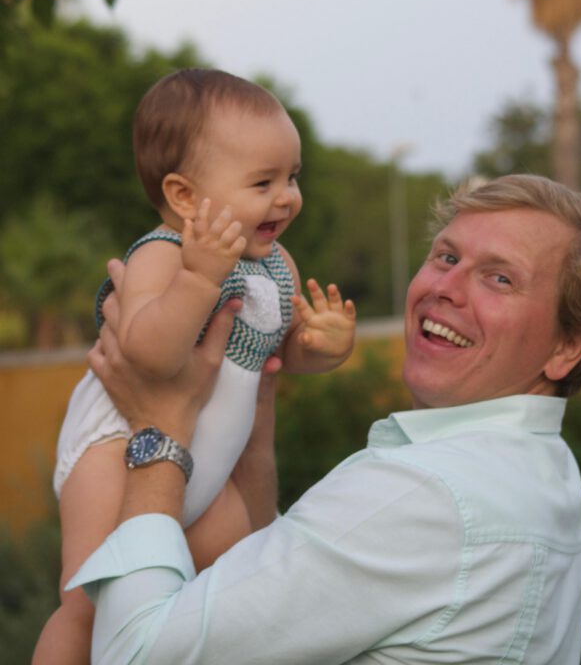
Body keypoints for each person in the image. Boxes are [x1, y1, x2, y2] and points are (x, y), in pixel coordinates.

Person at [70, 174, 581, 664]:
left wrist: (160, 430)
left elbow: (136, 652)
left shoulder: (426, 495)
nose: (445, 288)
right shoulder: (545, 474)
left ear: (567, 348)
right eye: (446, 257)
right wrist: (255, 413)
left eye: (500, 278)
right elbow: (272, 585)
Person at [33, 68, 356, 665]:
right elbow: (148, 355)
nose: (286, 197)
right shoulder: (165, 255)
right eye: (262, 181)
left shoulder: (274, 262)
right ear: (185, 197)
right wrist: (199, 280)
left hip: (207, 467)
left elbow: (279, 353)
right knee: (89, 601)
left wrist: (321, 347)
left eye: (292, 177)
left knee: (227, 582)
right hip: (119, 447)